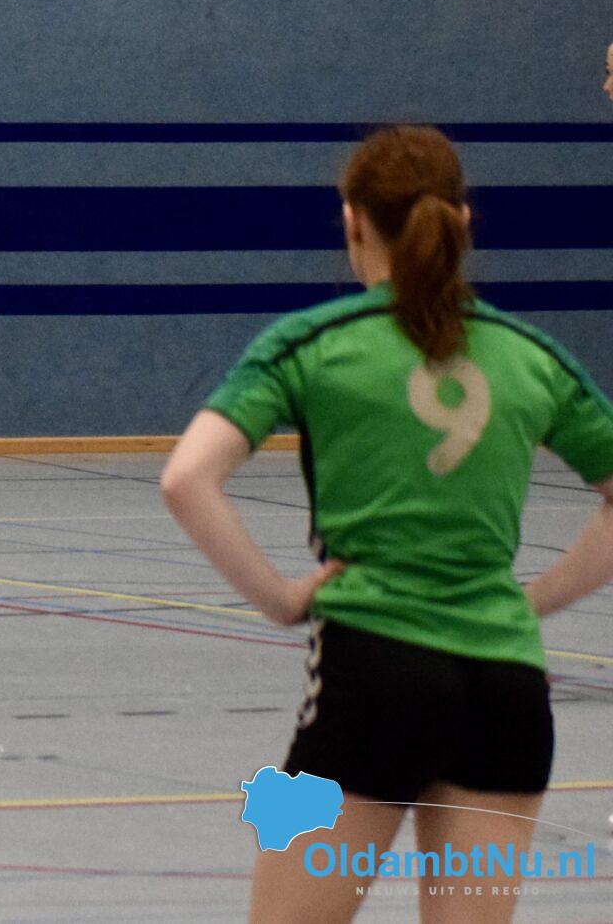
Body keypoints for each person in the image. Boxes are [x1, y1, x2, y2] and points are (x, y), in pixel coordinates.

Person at [162, 125, 613, 924]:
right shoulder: (532, 354)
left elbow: (186, 478)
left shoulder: (311, 344)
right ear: (464, 220)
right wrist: (531, 600)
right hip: (506, 688)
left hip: (370, 675)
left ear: (352, 221)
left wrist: (281, 597)